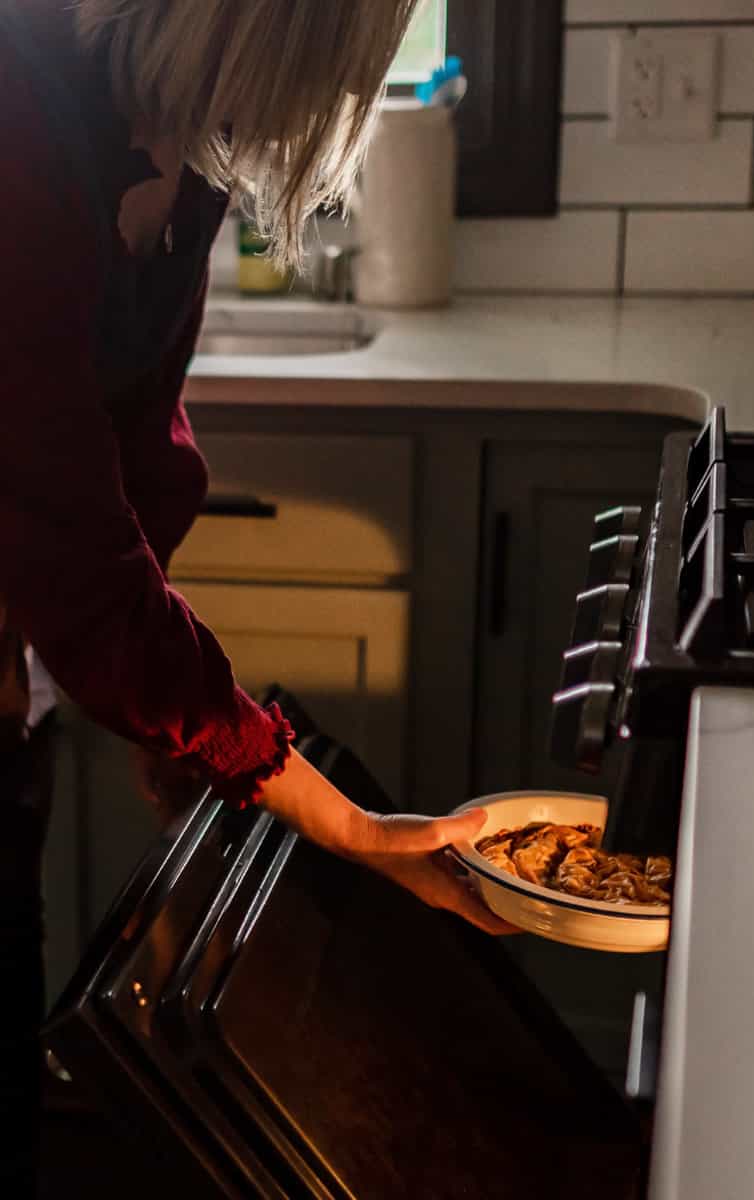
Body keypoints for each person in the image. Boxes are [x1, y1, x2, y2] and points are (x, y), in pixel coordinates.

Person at [0, 1, 512, 1192]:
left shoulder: (174, 139)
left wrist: (168, 714)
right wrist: (349, 827)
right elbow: (71, 550)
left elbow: (135, 450)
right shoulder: (18, 119)